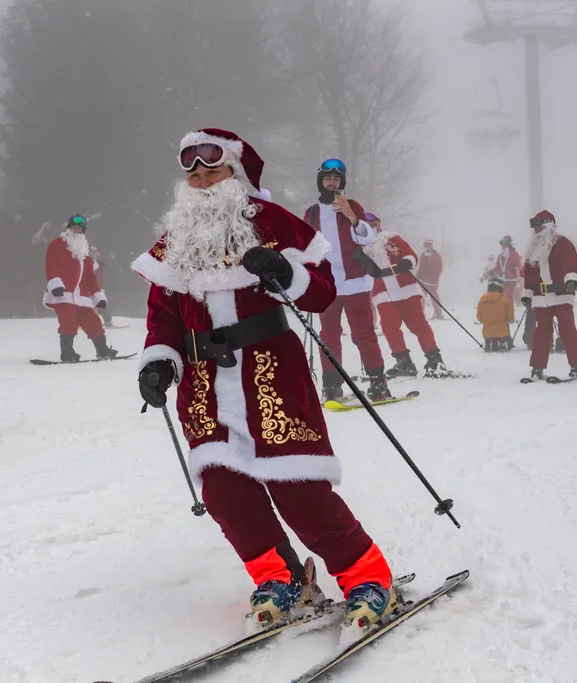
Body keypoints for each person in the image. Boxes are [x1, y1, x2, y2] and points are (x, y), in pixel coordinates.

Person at [133, 128, 398, 635]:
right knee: (225, 493)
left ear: (235, 172)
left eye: (213, 170)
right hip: (204, 384)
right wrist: (159, 362)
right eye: (193, 173)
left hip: (270, 371)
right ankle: (281, 577)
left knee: (298, 486)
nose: (202, 181)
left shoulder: (276, 223)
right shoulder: (175, 241)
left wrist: (282, 269)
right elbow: (161, 317)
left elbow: (321, 293)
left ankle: (366, 576)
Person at [301, 159, 388, 401]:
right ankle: (332, 385)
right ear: (321, 181)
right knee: (328, 335)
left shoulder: (352, 205)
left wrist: (352, 217)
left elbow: (366, 239)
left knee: (364, 333)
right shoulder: (312, 212)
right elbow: (306, 244)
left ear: (342, 182)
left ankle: (377, 381)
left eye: (336, 179)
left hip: (355, 282)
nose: (332, 183)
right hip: (326, 285)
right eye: (327, 178)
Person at [351, 224, 449, 378]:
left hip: (406, 288)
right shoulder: (360, 248)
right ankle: (403, 360)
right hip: (382, 292)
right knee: (389, 325)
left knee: (417, 324)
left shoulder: (392, 238)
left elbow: (410, 254)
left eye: (371, 224)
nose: (369, 228)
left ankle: (434, 359)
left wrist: (407, 262)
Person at [521, 210, 577, 381]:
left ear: (548, 225)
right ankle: (537, 368)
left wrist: (571, 279)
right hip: (540, 298)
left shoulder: (562, 244)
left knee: (567, 330)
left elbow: (571, 263)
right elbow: (529, 274)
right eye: (534, 228)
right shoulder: (533, 249)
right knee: (541, 333)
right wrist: (528, 293)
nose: (536, 231)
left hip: (561, 295)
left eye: (539, 227)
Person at [44, 215, 118, 361]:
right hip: (63, 293)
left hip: (81, 296)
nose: (76, 228)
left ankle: (102, 351)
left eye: (80, 227)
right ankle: (67, 353)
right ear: (68, 227)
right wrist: (55, 283)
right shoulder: (57, 244)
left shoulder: (84, 251)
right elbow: (50, 264)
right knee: (68, 322)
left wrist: (98, 296)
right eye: (74, 225)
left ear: (83, 230)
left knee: (93, 321)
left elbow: (90, 277)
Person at [477, 279, 514, 351]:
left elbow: (479, 317)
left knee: (489, 332)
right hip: (503, 331)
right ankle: (502, 341)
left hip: (487, 331)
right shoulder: (504, 301)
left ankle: (490, 340)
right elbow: (510, 316)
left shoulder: (481, 301)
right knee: (503, 332)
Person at [417, 239, 444, 320]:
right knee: (420, 298)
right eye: (426, 245)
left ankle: (438, 313)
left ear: (431, 245)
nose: (427, 246)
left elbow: (440, 268)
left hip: (432, 282)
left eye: (429, 245)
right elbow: (420, 267)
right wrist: (418, 276)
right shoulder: (422, 255)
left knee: (434, 298)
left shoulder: (436, 256)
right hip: (422, 281)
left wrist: (436, 277)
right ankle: (420, 314)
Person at [89, 246, 115, 328]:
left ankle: (108, 322)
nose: (93, 253)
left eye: (95, 252)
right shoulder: (86, 261)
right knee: (87, 305)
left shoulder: (100, 262)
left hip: (99, 287)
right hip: (88, 287)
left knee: (103, 304)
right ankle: (86, 323)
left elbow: (105, 264)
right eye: (92, 252)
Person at [494, 235, 523, 307]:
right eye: (502, 245)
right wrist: (497, 273)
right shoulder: (500, 256)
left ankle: (509, 316)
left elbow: (518, 265)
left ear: (508, 244)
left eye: (504, 244)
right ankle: (505, 315)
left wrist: (514, 271)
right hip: (502, 280)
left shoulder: (514, 254)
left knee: (507, 298)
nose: (502, 246)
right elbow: (497, 267)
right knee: (503, 298)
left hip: (511, 280)